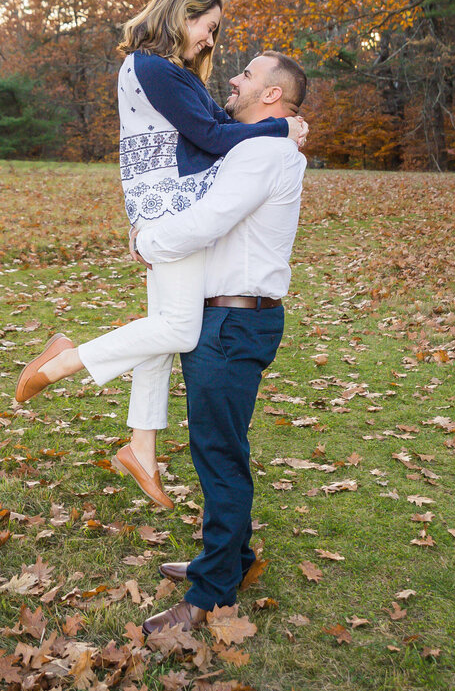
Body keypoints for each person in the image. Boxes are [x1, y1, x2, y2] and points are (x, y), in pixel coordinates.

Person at [14, 0, 307, 509]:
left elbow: (217, 124)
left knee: (162, 331)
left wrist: (271, 129)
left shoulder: (173, 74)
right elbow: (217, 139)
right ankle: (61, 362)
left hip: (172, 205)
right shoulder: (150, 67)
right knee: (176, 327)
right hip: (169, 207)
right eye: (209, 27)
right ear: (181, 15)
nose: (212, 41)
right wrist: (280, 131)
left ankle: (141, 448)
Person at [133, 51, 309, 634]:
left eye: (248, 76)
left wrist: (147, 242)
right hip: (229, 319)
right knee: (220, 447)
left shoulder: (264, 151)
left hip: (234, 323)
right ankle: (231, 559)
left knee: (218, 456)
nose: (234, 79)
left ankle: (208, 595)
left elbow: (208, 220)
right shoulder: (258, 145)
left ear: (272, 97)